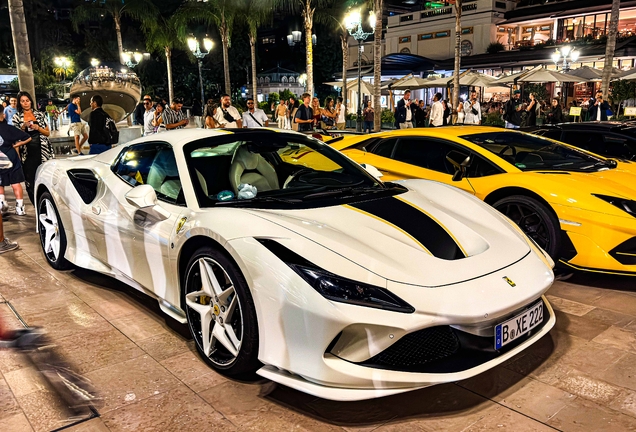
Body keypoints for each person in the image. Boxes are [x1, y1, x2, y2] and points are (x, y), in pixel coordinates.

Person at [12, 91, 53, 204]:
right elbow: (16, 137)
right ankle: (36, 204)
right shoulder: (16, 117)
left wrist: (38, 127)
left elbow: (47, 133)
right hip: (27, 152)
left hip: (42, 150)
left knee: (45, 178)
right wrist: (23, 127)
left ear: (31, 101)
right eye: (23, 101)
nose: (26, 103)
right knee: (30, 180)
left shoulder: (40, 114)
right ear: (20, 103)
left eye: (27, 100)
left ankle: (45, 203)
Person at [0, 105, 31, 216]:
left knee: (0, 184)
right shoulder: (9, 128)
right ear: (3, 116)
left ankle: (2, 204)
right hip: (11, 158)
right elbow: (27, 137)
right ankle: (20, 208)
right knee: (15, 183)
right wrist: (19, 144)